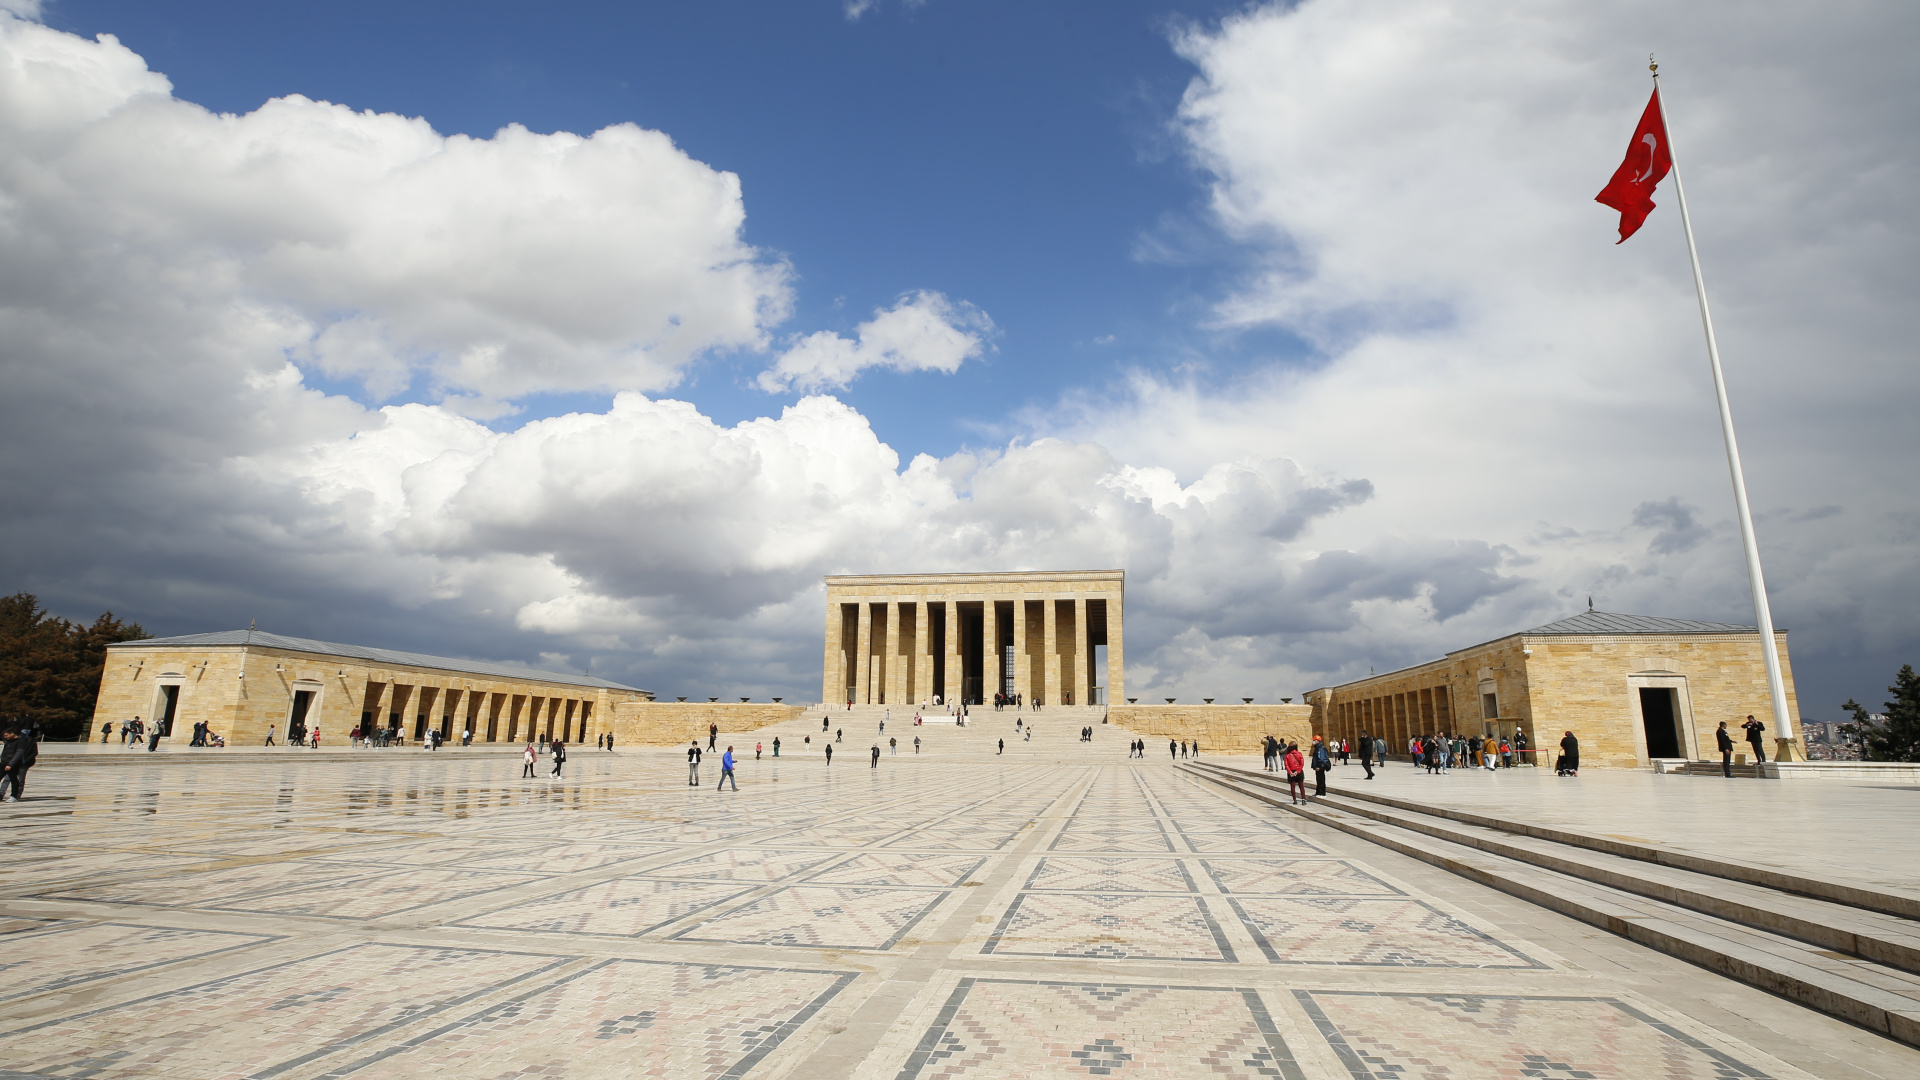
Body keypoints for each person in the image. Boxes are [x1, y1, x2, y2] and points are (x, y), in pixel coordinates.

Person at [0, 728, 35, 802]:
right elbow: (4, 751)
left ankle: (14, 796)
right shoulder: (8, 741)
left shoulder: (20, 741)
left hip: (12, 764)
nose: (5, 737)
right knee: (5, 779)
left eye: (7, 735)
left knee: (13, 780)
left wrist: (11, 764)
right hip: (4, 762)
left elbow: (19, 753)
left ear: (12, 733)